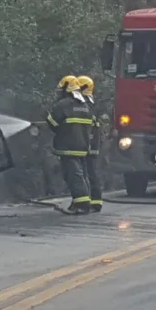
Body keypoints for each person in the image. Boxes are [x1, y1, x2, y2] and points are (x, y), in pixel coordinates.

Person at [46, 75, 94, 213]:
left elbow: (53, 124)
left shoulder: (63, 105)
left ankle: (82, 205)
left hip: (68, 147)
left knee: (73, 175)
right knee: (81, 175)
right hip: (83, 147)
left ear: (66, 89)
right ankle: (80, 202)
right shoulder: (85, 106)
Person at [76, 75, 103, 212]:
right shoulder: (90, 103)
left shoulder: (86, 105)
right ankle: (95, 201)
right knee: (90, 173)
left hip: (90, 144)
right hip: (91, 143)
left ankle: (94, 202)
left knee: (90, 173)